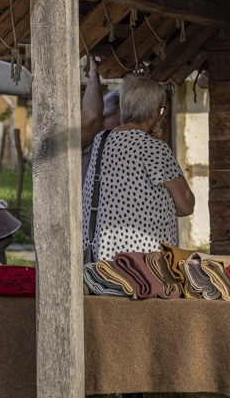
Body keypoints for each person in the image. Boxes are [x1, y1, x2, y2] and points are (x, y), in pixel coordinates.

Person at [81, 75, 195, 262]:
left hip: (103, 263)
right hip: (144, 267)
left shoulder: (100, 141)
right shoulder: (154, 148)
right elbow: (186, 205)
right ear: (154, 114)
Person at [80, 57, 122, 182]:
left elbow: (164, 106)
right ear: (103, 120)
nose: (127, 127)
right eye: (120, 122)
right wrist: (93, 73)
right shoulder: (88, 141)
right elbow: (92, 118)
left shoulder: (125, 143)